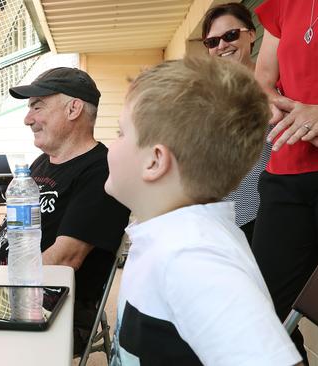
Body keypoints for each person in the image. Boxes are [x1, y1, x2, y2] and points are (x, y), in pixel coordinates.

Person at [106, 57, 301, 365]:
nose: (111, 145)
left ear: (154, 161)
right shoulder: (167, 237)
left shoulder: (193, 256)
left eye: (120, 133)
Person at [0, 67, 130, 355]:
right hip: (6, 294)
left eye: (37, 107)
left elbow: (64, 259)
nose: (28, 119)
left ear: (73, 108)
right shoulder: (40, 163)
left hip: (53, 308)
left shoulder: (101, 171)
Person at [253, 0, 318, 362]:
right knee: (266, 308)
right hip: (286, 171)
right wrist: (296, 118)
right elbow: (262, 82)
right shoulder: (283, 5)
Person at [201, 2, 271, 244]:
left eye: (230, 35)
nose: (221, 45)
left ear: (252, 34)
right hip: (219, 220)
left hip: (265, 214)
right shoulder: (205, 96)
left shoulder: (274, 87)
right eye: (212, 42)